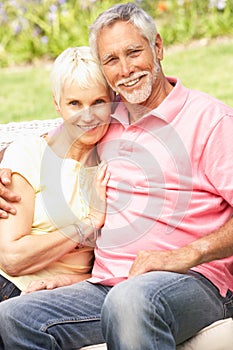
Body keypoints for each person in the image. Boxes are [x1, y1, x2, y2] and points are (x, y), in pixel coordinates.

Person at [0, 2, 233, 349]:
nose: (125, 70)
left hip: (192, 280)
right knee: (14, 318)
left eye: (134, 52)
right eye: (111, 60)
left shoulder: (210, 121)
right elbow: (53, 139)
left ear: (157, 48)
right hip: (106, 286)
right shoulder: (107, 121)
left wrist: (183, 256)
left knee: (131, 300)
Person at [0, 46, 112, 300]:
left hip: (64, 295)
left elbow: (121, 263)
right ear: (57, 104)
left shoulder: (114, 165)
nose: (88, 116)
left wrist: (74, 280)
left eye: (98, 102)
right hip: (10, 286)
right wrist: (88, 225)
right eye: (75, 103)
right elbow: (11, 259)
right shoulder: (29, 153)